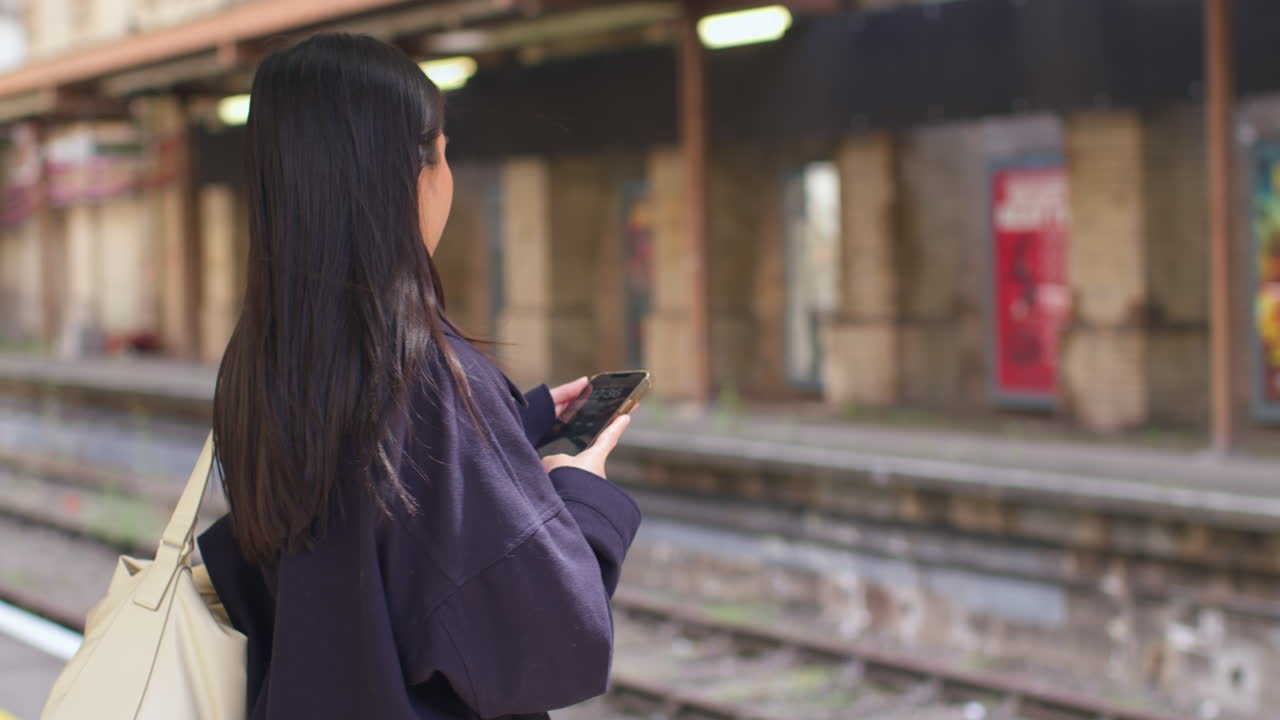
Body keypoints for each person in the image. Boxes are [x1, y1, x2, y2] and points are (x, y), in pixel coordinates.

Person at [197, 34, 642, 720]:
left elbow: (363, 504)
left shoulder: (265, 358)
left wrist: (509, 427)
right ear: (405, 172)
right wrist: (581, 494)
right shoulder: (423, 373)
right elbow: (539, 633)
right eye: (442, 150)